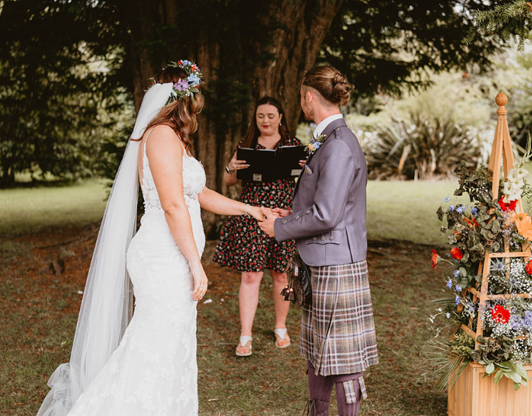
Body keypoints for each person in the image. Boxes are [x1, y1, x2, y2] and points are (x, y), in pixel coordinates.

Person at [37, 61, 264, 416]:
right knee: (155, 343)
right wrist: (194, 262)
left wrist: (249, 209)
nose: (196, 105)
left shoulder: (176, 139)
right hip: (163, 257)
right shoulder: (159, 136)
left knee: (172, 344)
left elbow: (198, 193)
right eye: (194, 97)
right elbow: (173, 206)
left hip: (174, 256)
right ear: (182, 99)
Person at [258, 65, 378, 416]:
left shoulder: (339, 145)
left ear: (309, 97)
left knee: (343, 359)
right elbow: (322, 205)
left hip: (337, 264)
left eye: (300, 97)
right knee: (319, 353)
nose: (301, 104)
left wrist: (279, 230)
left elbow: (327, 215)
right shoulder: (331, 141)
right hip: (324, 261)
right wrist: (289, 215)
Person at [212, 97, 302, 357]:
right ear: (256, 118)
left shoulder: (293, 145)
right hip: (252, 216)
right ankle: (245, 334)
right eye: (261, 115)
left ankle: (280, 326)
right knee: (250, 276)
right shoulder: (247, 145)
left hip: (283, 215)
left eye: (271, 115)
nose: (265, 120)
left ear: (281, 118)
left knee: (281, 274)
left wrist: (306, 170)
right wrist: (230, 167)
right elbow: (228, 181)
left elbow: (308, 182)